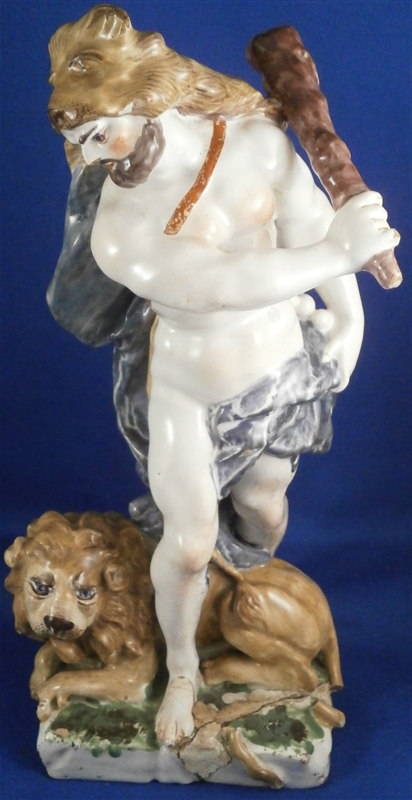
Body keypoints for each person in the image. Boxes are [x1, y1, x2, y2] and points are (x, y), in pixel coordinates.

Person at [47, 5, 399, 746]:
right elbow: (215, 284)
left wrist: (349, 318)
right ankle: (181, 670)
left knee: (264, 511)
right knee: (187, 542)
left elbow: (308, 219)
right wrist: (338, 255)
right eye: (74, 140)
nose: (86, 156)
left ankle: (230, 607)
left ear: (141, 99)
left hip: (278, 370)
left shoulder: (252, 140)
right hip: (186, 385)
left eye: (97, 132)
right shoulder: (117, 227)